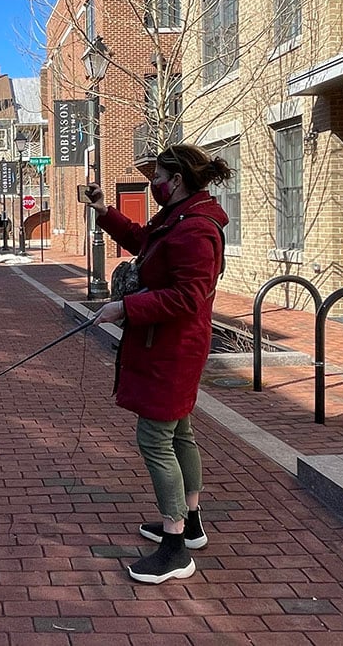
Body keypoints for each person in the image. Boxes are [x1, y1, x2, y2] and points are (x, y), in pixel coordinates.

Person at [86, 144, 231, 584]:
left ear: (179, 178)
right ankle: (191, 524)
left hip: (174, 349)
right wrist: (104, 211)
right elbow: (145, 244)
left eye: (158, 176)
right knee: (180, 433)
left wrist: (127, 307)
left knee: (155, 438)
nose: (153, 184)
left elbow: (189, 296)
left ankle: (174, 547)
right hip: (167, 345)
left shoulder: (195, 229)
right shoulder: (180, 216)